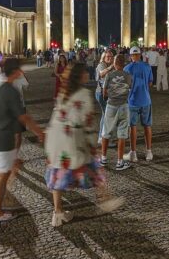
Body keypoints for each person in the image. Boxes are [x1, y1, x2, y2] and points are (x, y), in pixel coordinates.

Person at [45, 63, 125, 227]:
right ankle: (105, 200)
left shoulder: (64, 92)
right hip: (74, 140)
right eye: (85, 72)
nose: (88, 74)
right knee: (95, 168)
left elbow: (57, 116)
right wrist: (92, 143)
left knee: (58, 173)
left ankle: (58, 213)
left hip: (57, 140)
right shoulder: (83, 94)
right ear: (80, 75)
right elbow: (87, 122)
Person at [0, 58, 44, 223]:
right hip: (5, 135)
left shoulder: (5, 88)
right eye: (19, 69)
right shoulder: (10, 90)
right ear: (15, 71)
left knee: (9, 169)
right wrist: (39, 132)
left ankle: (0, 204)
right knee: (2, 174)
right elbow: (22, 116)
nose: (21, 71)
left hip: (3, 133)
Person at [100, 54, 132, 170]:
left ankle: (103, 158)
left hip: (111, 105)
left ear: (114, 63)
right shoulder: (128, 76)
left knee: (106, 131)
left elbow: (104, 93)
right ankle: (119, 162)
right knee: (122, 134)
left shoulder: (109, 75)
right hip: (123, 105)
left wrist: (110, 96)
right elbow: (129, 88)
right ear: (124, 64)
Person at [124, 46, 153, 162]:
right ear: (140, 55)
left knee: (133, 127)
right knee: (147, 126)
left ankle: (133, 153)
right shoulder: (147, 66)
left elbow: (125, 85)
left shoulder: (127, 68)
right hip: (145, 99)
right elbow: (151, 82)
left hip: (132, 101)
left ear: (131, 56)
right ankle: (149, 152)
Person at [95, 50, 114, 143]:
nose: (110, 58)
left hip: (107, 93)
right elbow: (102, 73)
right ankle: (104, 138)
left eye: (111, 56)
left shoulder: (110, 66)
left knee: (105, 115)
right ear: (103, 58)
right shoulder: (101, 65)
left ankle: (101, 137)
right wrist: (111, 67)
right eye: (108, 57)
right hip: (101, 94)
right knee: (107, 115)